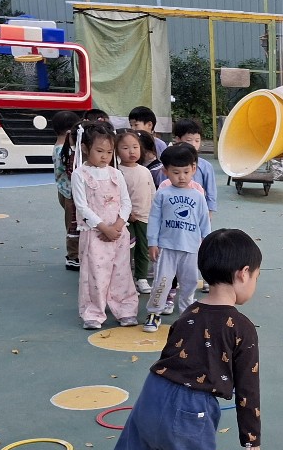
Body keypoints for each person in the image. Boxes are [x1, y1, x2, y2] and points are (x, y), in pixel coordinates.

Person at [71, 229, 263, 450]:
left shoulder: (188, 313)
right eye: (257, 276)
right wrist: (251, 436)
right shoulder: (241, 326)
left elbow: (171, 356)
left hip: (152, 395)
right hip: (192, 409)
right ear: (243, 274)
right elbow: (248, 385)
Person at [68, 121, 140, 329]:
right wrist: (103, 227)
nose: (105, 156)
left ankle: (125, 309)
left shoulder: (116, 173)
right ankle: (93, 312)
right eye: (99, 151)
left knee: (122, 273)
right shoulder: (80, 174)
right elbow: (82, 206)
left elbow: (126, 202)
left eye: (109, 152)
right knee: (95, 274)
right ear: (85, 148)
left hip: (118, 233)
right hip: (95, 234)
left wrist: (118, 225)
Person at [144, 142, 213, 331]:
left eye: (186, 172)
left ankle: (186, 313)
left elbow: (204, 222)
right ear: (165, 171)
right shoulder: (162, 194)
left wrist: (206, 243)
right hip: (166, 247)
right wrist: (152, 242)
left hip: (191, 248)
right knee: (162, 281)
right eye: (175, 172)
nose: (181, 177)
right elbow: (154, 219)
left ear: (193, 169)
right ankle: (154, 313)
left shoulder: (198, 196)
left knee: (190, 282)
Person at [116, 129, 155, 295]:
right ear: (116, 151)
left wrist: (154, 212)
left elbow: (152, 192)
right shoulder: (117, 172)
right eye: (125, 148)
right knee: (126, 249)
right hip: (126, 219)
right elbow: (117, 196)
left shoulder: (145, 171)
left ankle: (141, 278)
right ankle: (126, 280)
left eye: (135, 147)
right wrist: (127, 213)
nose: (131, 151)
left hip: (145, 216)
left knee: (143, 248)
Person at [52, 111, 82, 270]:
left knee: (73, 224)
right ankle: (73, 256)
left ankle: (76, 253)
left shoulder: (58, 146)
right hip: (70, 194)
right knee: (73, 225)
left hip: (63, 191)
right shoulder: (65, 150)